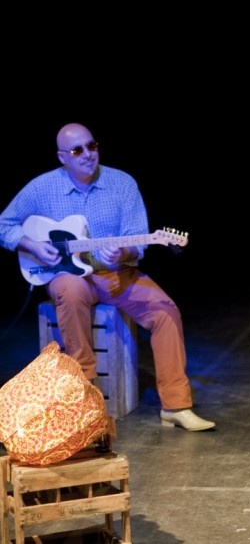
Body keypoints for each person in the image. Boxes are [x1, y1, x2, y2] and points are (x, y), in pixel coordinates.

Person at [0, 123, 215, 432]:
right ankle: (85, 400)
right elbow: (4, 224)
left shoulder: (122, 184)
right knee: (70, 291)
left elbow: (137, 241)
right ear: (63, 157)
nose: (87, 154)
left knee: (165, 311)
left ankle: (176, 406)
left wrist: (122, 253)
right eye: (77, 150)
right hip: (70, 274)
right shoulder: (41, 187)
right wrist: (31, 244)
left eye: (92, 146)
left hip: (117, 273)